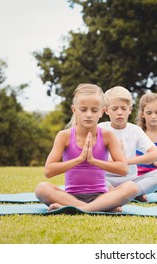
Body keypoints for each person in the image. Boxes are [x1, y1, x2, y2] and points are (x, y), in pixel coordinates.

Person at [35, 83, 138, 212]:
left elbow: (123, 169)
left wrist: (94, 161)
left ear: (101, 111)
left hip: (101, 197)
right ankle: (98, 208)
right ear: (74, 110)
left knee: (131, 187)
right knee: (41, 189)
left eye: (94, 110)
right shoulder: (64, 136)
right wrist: (79, 159)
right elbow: (48, 171)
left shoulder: (107, 136)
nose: (89, 115)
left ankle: (79, 209)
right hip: (70, 197)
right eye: (83, 110)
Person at [98, 86, 157, 201]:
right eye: (114, 109)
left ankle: (125, 194)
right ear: (106, 110)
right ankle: (127, 194)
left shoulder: (135, 130)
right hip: (106, 179)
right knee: (91, 180)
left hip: (130, 180)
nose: (119, 112)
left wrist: (125, 161)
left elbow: (156, 155)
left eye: (124, 108)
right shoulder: (100, 129)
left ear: (129, 110)